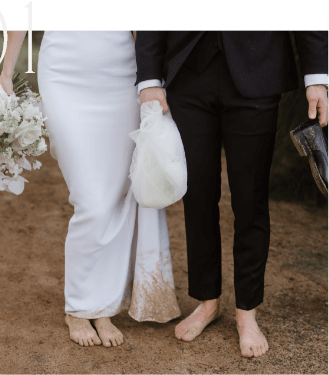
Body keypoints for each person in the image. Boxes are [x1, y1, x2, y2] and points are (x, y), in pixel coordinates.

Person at [135, 30, 328, 358]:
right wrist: (149, 78)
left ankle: (247, 310)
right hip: (188, 73)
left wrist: (317, 78)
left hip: (259, 72)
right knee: (197, 196)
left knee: (250, 200)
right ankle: (207, 302)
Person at [0, 30, 181, 348]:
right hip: (64, 72)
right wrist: (6, 73)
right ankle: (78, 308)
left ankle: (103, 306)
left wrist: (152, 80)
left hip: (122, 72)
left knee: (118, 194)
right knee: (90, 199)